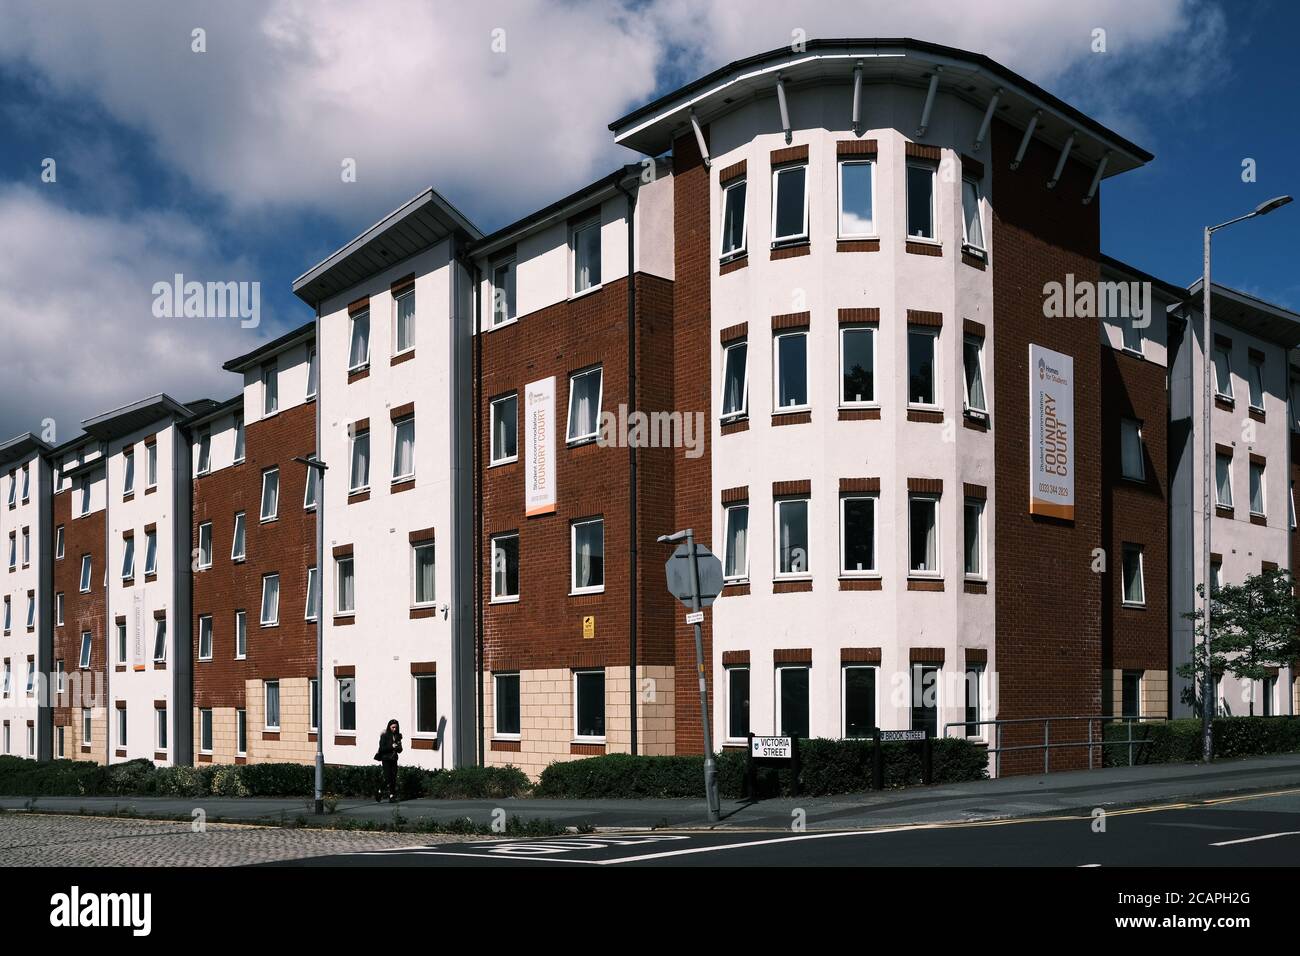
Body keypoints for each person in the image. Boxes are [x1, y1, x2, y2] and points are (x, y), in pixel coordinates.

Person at [373, 718, 403, 803]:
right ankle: (380, 791)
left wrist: (398, 747)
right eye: (393, 727)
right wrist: (391, 746)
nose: (394, 729)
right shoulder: (384, 735)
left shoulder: (398, 736)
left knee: (393, 778)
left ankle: (392, 795)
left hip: (394, 759)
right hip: (386, 759)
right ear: (389, 727)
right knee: (387, 777)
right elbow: (382, 748)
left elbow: (400, 750)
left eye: (396, 727)